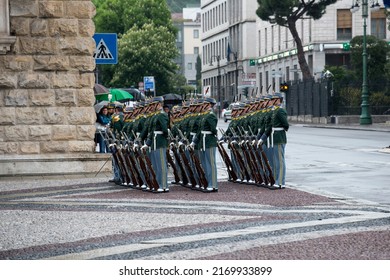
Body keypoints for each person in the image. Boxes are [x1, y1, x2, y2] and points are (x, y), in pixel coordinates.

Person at [191, 97, 218, 192]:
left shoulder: (211, 115)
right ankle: (209, 182)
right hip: (204, 142)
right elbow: (199, 130)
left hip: (209, 142)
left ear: (209, 105)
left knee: (211, 164)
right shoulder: (205, 116)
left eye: (204, 104)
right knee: (206, 164)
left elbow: (213, 130)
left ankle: (213, 184)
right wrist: (194, 141)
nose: (202, 106)